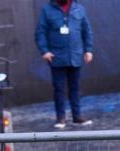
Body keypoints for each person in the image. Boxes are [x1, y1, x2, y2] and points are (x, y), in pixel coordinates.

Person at [35, 0, 94, 130]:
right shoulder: (47, 10)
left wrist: (88, 50)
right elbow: (40, 32)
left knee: (75, 87)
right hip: (56, 57)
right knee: (59, 88)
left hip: (75, 55)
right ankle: (60, 117)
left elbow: (87, 31)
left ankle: (77, 116)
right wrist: (45, 51)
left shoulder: (79, 9)